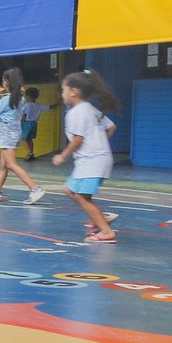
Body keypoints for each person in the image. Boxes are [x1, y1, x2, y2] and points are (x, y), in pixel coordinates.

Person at [53, 70, 120, 243]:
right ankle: (100, 218)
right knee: (69, 189)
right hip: (98, 158)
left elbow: (77, 140)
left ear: (73, 91)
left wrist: (63, 156)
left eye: (63, 90)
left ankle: (106, 231)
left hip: (91, 160)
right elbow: (112, 127)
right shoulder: (91, 109)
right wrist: (100, 142)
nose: (62, 94)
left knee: (82, 197)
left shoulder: (75, 113)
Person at [0, 68, 46, 204]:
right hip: (14, 133)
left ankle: (35, 188)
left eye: (3, 80)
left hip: (6, 134)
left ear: (7, 82)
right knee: (4, 165)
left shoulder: (6, 100)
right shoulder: (19, 98)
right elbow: (20, 92)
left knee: (11, 164)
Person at [20, 87, 49, 161]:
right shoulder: (39, 105)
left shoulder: (26, 105)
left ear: (27, 96)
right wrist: (57, 104)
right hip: (34, 124)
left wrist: (19, 124)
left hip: (26, 123)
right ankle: (31, 153)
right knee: (30, 139)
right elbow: (48, 107)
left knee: (24, 138)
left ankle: (30, 153)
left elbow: (24, 115)